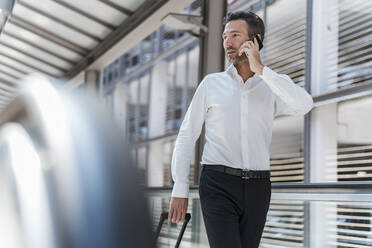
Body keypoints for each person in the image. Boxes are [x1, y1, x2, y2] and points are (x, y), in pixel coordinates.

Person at [168, 10, 313, 248]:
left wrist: (262, 70)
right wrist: (180, 187)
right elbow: (187, 134)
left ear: (255, 41)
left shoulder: (272, 85)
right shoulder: (212, 84)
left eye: (235, 35)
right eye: (225, 37)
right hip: (217, 183)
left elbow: (304, 105)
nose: (227, 42)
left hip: (259, 186)